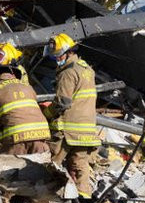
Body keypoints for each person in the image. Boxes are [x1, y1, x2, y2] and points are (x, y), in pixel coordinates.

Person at [44, 33, 100, 201]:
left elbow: (63, 102)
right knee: (79, 166)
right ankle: (83, 197)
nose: (56, 60)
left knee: (50, 165)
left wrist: (46, 114)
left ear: (69, 52)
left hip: (67, 131)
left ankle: (45, 198)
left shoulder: (68, 73)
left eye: (59, 56)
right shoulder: (86, 69)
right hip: (86, 130)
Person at [0, 64, 51, 154]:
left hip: (17, 137)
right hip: (42, 133)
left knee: (11, 165)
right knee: (40, 165)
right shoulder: (28, 87)